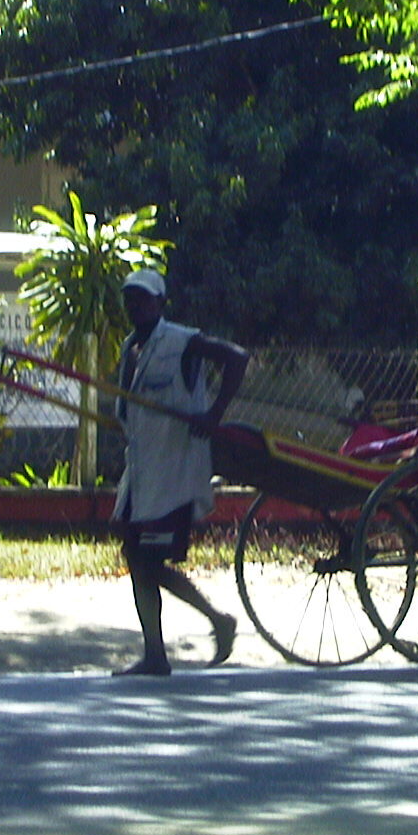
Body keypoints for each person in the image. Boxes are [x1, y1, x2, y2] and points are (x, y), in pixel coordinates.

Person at [111, 268, 249, 676]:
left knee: (147, 562)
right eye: (130, 299)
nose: (135, 306)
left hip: (173, 473)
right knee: (136, 558)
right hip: (140, 471)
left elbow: (237, 358)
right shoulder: (130, 347)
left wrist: (213, 414)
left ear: (161, 303)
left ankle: (216, 620)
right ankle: (155, 654)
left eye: (143, 299)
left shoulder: (184, 340)